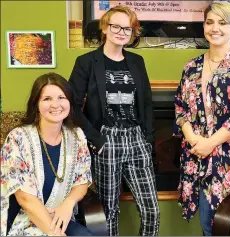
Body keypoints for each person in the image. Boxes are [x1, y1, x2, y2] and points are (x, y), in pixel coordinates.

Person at [69, 5, 160, 236]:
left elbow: (147, 103)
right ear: (105, 28)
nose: (121, 32)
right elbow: (72, 106)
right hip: (106, 140)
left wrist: (147, 139)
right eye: (116, 26)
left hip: (136, 139)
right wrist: (97, 140)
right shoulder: (86, 62)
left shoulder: (137, 62)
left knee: (152, 210)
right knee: (109, 211)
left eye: (127, 28)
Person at [173, 1, 230, 235]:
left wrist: (209, 143)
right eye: (210, 22)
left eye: (223, 23)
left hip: (227, 159)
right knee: (205, 223)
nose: (215, 28)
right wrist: (194, 140)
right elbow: (180, 108)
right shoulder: (191, 66)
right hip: (196, 156)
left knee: (224, 224)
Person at [0, 73, 93, 236]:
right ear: (36, 104)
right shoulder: (18, 138)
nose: (55, 104)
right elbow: (25, 199)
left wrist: (68, 204)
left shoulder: (77, 136)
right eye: (47, 99)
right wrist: (56, 234)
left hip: (60, 217)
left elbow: (82, 180)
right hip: (21, 221)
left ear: (70, 102)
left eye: (61, 97)